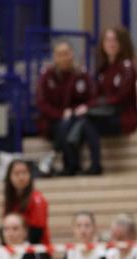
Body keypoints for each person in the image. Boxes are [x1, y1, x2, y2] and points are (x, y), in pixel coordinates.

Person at [35, 41, 99, 176]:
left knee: (87, 126)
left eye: (67, 53)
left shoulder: (81, 74)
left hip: (78, 118)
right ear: (54, 57)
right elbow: (42, 103)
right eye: (60, 54)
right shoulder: (47, 76)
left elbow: (93, 98)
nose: (64, 57)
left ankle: (95, 165)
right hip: (54, 121)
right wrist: (60, 114)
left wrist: (81, 109)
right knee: (64, 126)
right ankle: (71, 165)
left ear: (72, 54)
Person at [90, 26, 137, 141]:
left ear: (122, 43)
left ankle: (94, 159)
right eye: (107, 40)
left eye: (115, 40)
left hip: (123, 117)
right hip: (104, 113)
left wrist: (95, 103)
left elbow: (121, 98)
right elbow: (95, 94)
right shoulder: (102, 68)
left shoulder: (127, 67)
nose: (110, 44)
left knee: (86, 123)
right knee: (79, 122)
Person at [3, 159, 50, 245]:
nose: (21, 177)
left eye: (24, 173)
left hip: (36, 248)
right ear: (9, 177)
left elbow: (37, 232)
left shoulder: (37, 199)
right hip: (16, 247)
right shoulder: (10, 199)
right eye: (16, 173)